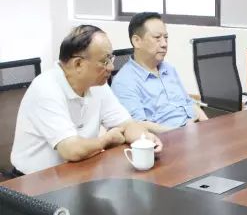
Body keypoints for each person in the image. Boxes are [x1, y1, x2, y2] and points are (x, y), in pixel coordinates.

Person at [10, 25, 163, 175]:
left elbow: (127, 125)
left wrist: (145, 139)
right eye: (105, 61)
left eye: (111, 58)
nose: (111, 67)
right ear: (78, 64)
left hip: (79, 171)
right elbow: (71, 150)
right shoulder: (46, 88)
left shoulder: (97, 84)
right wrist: (106, 140)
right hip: (33, 182)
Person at [111, 12, 207, 130]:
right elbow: (137, 125)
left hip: (194, 129)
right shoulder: (124, 82)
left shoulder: (168, 69)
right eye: (157, 38)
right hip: (168, 137)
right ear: (137, 41)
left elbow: (188, 102)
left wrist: (207, 125)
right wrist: (181, 133)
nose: (164, 44)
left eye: (166, 37)